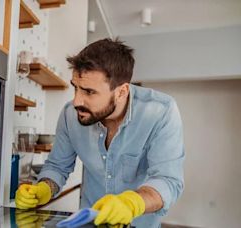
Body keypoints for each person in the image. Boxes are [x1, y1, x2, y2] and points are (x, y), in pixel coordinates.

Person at [15, 38, 185, 228]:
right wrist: (44, 188)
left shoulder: (160, 111)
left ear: (121, 92)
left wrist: (132, 203)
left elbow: (168, 180)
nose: (76, 101)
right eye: (76, 87)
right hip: (89, 223)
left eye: (89, 92)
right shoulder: (70, 115)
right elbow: (57, 166)